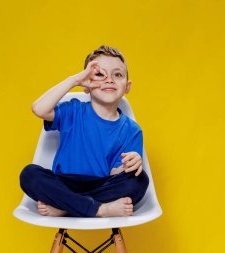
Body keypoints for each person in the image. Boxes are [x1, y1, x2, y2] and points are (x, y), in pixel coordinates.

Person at [19, 45, 149, 217]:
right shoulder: (74, 110)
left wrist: (131, 164)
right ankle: (99, 209)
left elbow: (115, 174)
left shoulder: (131, 130)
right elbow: (39, 109)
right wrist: (74, 80)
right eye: (100, 75)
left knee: (139, 180)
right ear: (86, 86)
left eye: (117, 75)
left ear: (127, 86)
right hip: (64, 183)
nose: (109, 80)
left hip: (101, 185)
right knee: (29, 174)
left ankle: (67, 207)